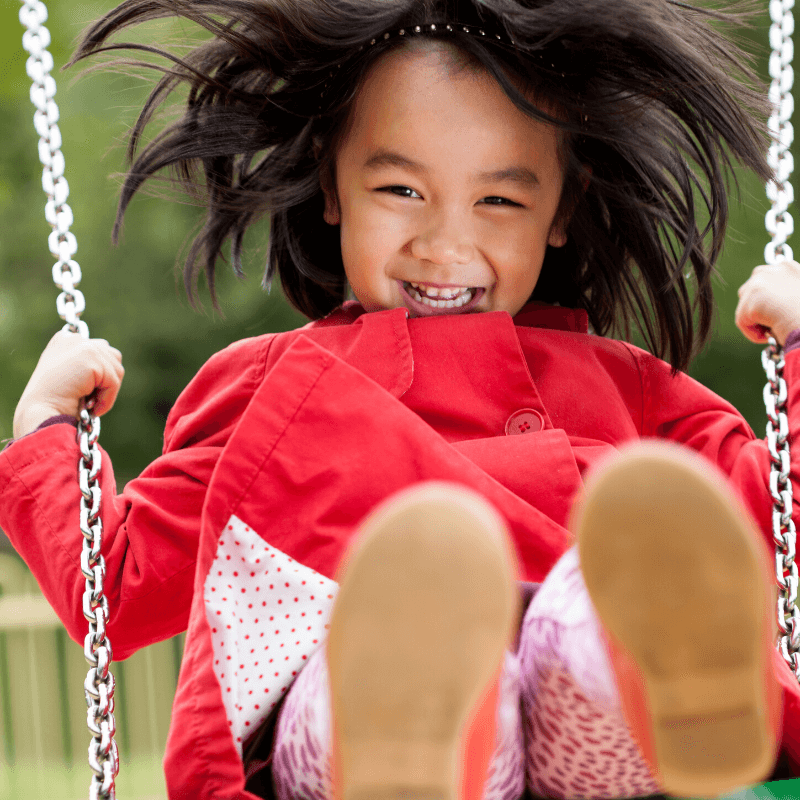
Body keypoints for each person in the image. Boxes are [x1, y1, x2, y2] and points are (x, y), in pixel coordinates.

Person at [3, 0, 800, 798]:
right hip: (352, 724)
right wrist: (47, 433)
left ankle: (682, 670)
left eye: (499, 201)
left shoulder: (629, 390)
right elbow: (120, 584)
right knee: (400, 637)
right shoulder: (271, 388)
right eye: (400, 189)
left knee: (606, 603)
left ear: (560, 209)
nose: (444, 245)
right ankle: (414, 727)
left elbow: (777, 519)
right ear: (332, 185)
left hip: (591, 748)